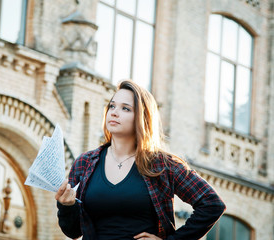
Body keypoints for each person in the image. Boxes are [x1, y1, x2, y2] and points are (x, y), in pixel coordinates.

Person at [55, 80, 226, 240]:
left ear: (142, 118)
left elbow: (212, 204)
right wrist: (66, 206)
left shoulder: (163, 165)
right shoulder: (84, 163)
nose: (114, 112)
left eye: (125, 108)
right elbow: (73, 232)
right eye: (112, 106)